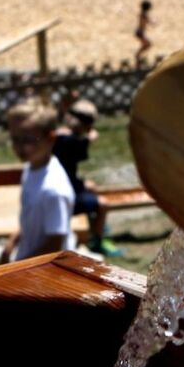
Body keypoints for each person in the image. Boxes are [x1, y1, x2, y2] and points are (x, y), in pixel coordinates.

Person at [6, 97, 75, 263]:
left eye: (29, 140)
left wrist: (17, 267)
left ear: (51, 138)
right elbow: (29, 217)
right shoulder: (31, 166)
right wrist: (12, 241)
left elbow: (55, 245)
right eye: (15, 139)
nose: (20, 147)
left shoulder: (53, 191)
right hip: (27, 257)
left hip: (44, 269)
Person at [53, 98, 118, 256]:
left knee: (92, 186)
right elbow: (79, 144)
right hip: (64, 196)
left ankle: (97, 227)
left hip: (67, 184)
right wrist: (88, 139)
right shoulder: (70, 141)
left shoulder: (61, 135)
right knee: (104, 204)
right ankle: (98, 242)